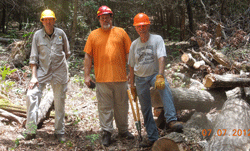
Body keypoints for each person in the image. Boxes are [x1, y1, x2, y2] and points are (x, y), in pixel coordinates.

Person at [128, 13, 183, 148]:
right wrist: (132, 85)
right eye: (139, 26)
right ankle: (152, 137)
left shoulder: (157, 39)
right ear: (136, 28)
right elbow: (131, 65)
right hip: (140, 78)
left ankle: (171, 120)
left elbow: (162, 58)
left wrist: (160, 75)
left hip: (153, 75)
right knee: (145, 107)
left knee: (164, 86)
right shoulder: (134, 45)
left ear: (148, 25)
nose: (142, 29)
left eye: (144, 26)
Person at [83, 5, 134, 147]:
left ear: (111, 18)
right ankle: (106, 132)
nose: (105, 19)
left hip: (121, 78)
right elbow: (88, 56)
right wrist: (87, 76)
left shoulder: (121, 32)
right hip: (102, 79)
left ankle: (123, 130)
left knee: (122, 106)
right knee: (105, 107)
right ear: (99, 19)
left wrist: (131, 71)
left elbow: (129, 53)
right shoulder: (93, 35)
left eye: (107, 17)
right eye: (102, 17)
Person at [23, 9, 70, 142]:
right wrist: (34, 76)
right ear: (42, 21)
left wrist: (63, 68)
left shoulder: (61, 34)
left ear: (54, 20)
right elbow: (33, 58)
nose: (48, 22)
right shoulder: (37, 35)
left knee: (60, 101)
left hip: (59, 72)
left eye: (51, 19)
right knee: (31, 95)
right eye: (46, 19)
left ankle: (59, 132)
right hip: (42, 71)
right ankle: (31, 130)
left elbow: (67, 53)